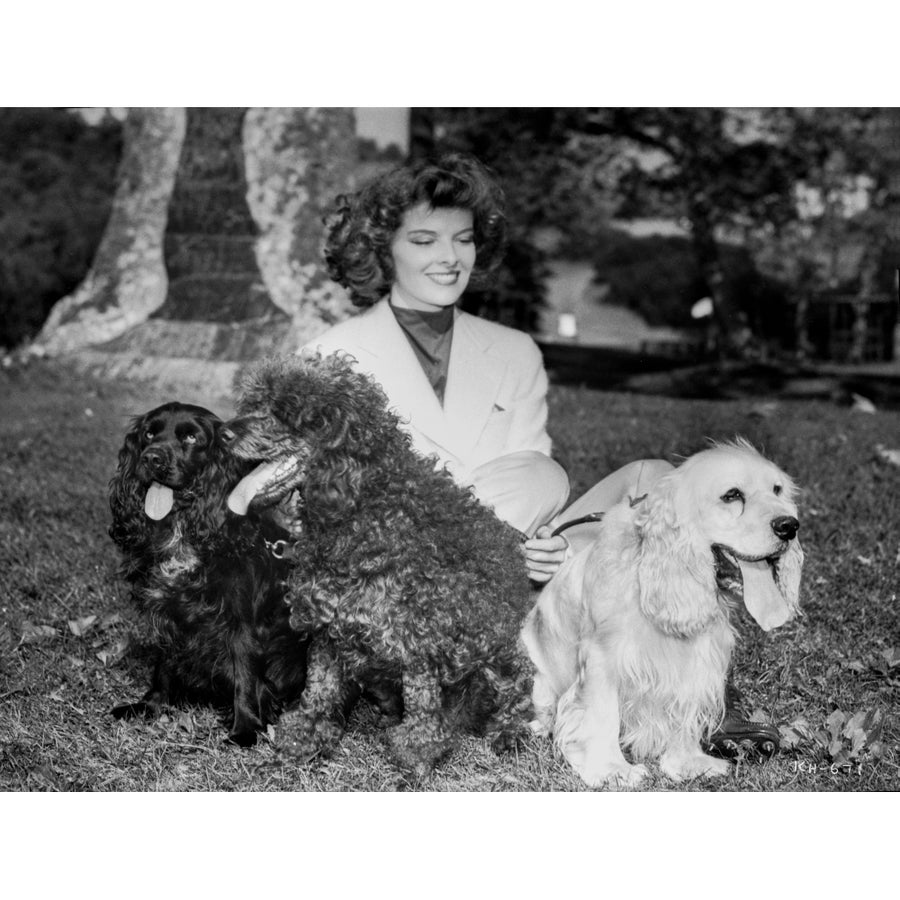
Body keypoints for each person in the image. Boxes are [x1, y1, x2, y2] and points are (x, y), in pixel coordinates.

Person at [295, 152, 780, 757]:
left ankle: (707, 709)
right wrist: (494, 544)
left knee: (659, 482)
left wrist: (543, 546)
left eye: (463, 240)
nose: (449, 258)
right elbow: (319, 514)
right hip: (407, 585)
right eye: (423, 239)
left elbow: (533, 482)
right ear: (380, 247)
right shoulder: (328, 357)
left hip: (520, 559)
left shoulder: (515, 349)